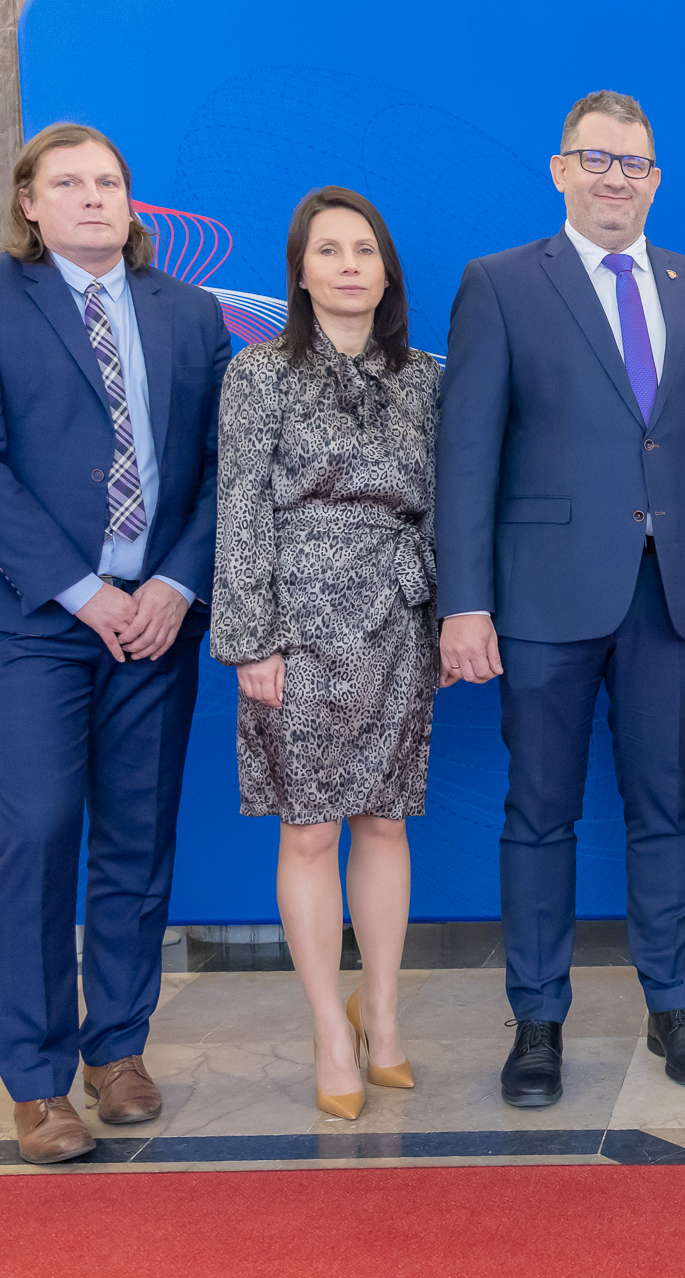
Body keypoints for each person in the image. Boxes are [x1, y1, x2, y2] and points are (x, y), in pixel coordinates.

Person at [437, 91, 685, 1108]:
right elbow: (467, 458)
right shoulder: (500, 283)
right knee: (539, 812)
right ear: (561, 170)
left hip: (672, 594)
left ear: (656, 180)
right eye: (596, 159)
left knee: (666, 804)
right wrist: (465, 602)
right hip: (540, 596)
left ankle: (674, 1002)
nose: (614, 178)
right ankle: (537, 1019)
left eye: (632, 163)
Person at [0, 123, 231, 1163]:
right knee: (44, 829)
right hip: (30, 618)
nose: (93, 197)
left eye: (108, 182)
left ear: (131, 202)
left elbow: (222, 470)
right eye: (68, 182)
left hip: (158, 619)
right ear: (29, 202)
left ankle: (119, 1050)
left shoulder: (189, 312)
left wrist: (175, 583)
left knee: (138, 838)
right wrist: (85, 592)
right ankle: (38, 1082)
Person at [211, 188, 442, 1121]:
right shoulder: (258, 374)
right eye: (328, 250)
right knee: (308, 828)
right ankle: (326, 1031)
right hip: (295, 625)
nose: (349, 265)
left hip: (398, 618)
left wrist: (448, 617)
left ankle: (380, 1018)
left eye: (365, 250)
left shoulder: (425, 378)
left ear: (388, 273)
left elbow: (445, 504)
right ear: (300, 273)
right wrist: (250, 639)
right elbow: (239, 508)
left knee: (386, 820)